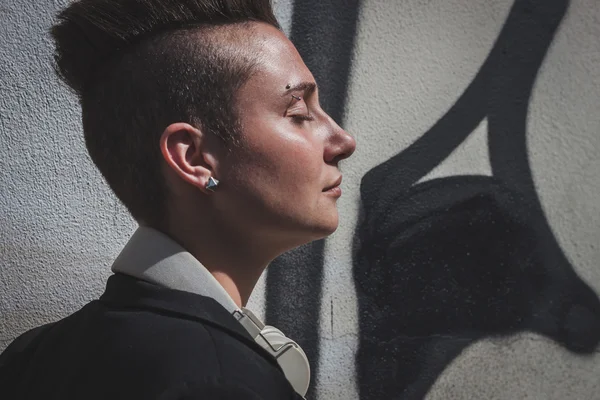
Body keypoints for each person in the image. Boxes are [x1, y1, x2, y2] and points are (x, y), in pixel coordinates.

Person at [0, 0, 356, 399]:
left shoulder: (29, 357)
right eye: (298, 112)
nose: (343, 141)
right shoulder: (222, 383)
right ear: (194, 158)